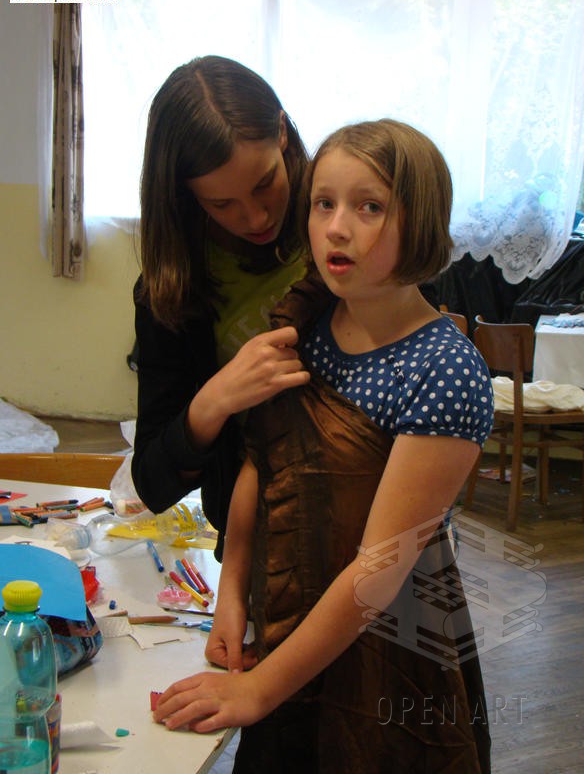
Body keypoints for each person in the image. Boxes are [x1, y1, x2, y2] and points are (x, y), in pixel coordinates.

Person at [153, 119, 494, 773]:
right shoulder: (309, 323)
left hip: (387, 652)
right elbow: (263, 462)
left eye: (369, 207)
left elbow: (380, 569)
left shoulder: (444, 370)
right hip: (286, 616)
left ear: (421, 220)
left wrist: (258, 689)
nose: (337, 228)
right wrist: (232, 594)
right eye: (323, 203)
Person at [131, 56, 311, 560]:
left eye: (264, 183)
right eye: (221, 204)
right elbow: (153, 483)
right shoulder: (172, 289)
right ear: (185, 195)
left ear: (281, 132)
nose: (255, 218)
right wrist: (215, 400)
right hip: (257, 546)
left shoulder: (341, 219)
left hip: (375, 525)